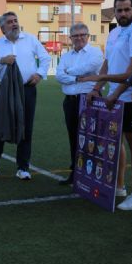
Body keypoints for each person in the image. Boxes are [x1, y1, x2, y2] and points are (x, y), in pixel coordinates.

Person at [86, 0, 132, 210]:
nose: (123, 13)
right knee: (116, 142)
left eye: (127, 9)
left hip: (130, 97)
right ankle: (120, 186)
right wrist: (97, 88)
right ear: (113, 11)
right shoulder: (113, 33)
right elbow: (107, 63)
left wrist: (114, 93)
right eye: (119, 10)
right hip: (113, 96)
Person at [0, 11, 51, 180]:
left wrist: (39, 74)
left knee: (26, 128)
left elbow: (45, 58)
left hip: (27, 89)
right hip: (5, 90)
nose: (14, 24)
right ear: (2, 28)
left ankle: (23, 167)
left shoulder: (31, 39)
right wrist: (1, 61)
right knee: (0, 127)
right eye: (10, 22)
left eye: (15, 21)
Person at [55, 23, 104, 185]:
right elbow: (59, 76)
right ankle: (75, 173)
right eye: (75, 36)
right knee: (74, 138)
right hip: (70, 101)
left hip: (89, 100)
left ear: (88, 36)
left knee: (91, 139)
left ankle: (93, 176)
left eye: (82, 34)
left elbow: (91, 67)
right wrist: (76, 77)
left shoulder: (95, 52)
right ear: (70, 38)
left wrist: (70, 71)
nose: (79, 38)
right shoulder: (66, 56)